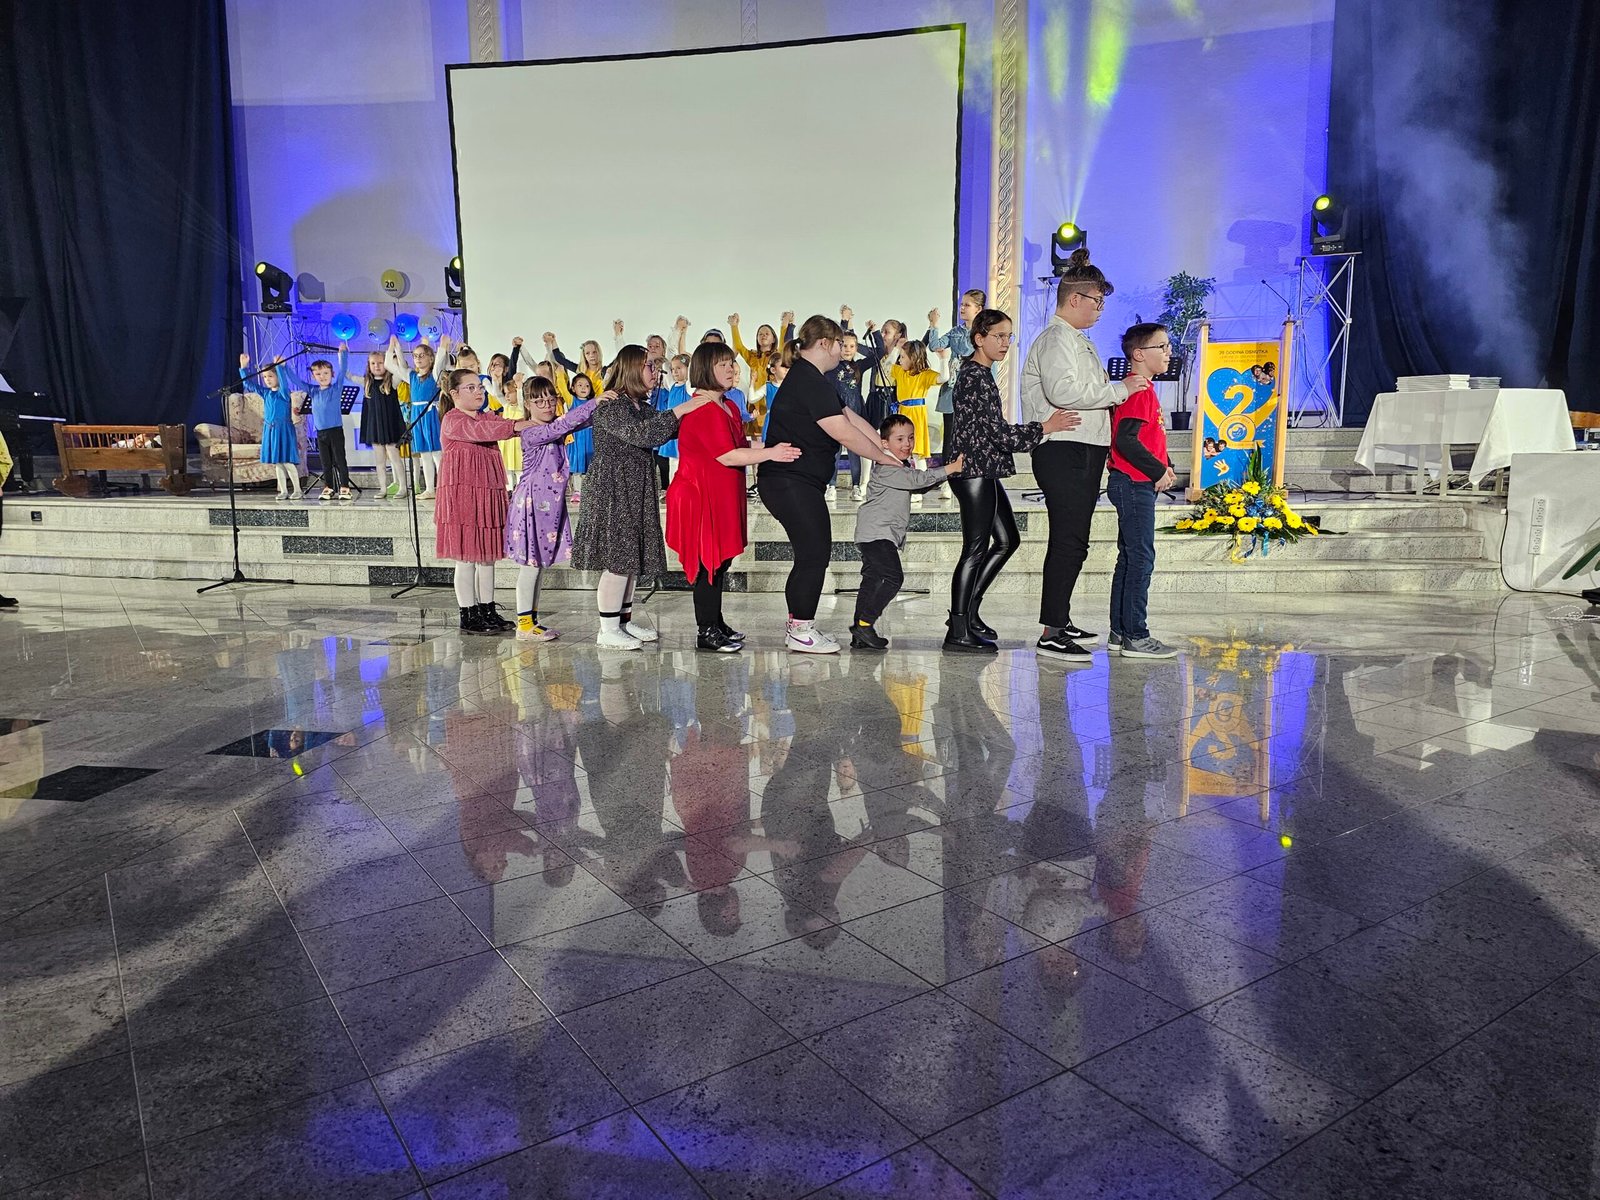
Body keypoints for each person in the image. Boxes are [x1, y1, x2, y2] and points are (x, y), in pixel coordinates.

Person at [1020, 247, 1148, 660]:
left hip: (1082, 448)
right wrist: (1120, 389)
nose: (1100, 309)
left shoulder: (1075, 340)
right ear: (1074, 299)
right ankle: (1051, 631)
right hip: (1065, 450)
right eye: (1096, 301)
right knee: (1069, 540)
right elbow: (1064, 391)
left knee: (1075, 540)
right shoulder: (1057, 339)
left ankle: (1060, 618)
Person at [757, 314, 902, 654]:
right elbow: (843, 432)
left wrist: (883, 448)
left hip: (798, 482)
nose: (842, 349)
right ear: (824, 343)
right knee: (813, 553)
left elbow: (851, 418)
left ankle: (799, 626)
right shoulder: (807, 380)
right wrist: (883, 459)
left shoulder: (814, 379)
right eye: (839, 343)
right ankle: (801, 629)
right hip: (789, 481)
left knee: (811, 553)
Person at [945, 308, 1079, 653]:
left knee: (1007, 540)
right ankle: (958, 628)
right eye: (999, 336)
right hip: (973, 472)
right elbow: (999, 434)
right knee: (974, 549)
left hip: (983, 469)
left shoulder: (981, 373)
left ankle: (969, 613)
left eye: (1009, 336)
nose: (1006, 343)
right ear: (979, 339)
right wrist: (1045, 427)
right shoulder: (975, 376)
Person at [571, 344, 709, 650]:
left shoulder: (640, 407)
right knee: (618, 560)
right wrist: (680, 410)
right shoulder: (611, 405)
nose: (655, 372)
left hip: (635, 488)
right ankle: (608, 629)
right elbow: (643, 434)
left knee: (630, 559)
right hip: (613, 490)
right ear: (632, 368)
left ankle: (623, 621)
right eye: (649, 366)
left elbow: (662, 429)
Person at [667, 341, 801, 653]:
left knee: (721, 561)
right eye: (722, 365)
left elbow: (740, 445)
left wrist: (778, 448)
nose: (730, 369)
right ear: (705, 370)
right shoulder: (702, 408)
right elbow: (727, 455)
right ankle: (706, 631)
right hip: (701, 495)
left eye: (731, 363)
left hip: (722, 493)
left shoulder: (726, 405)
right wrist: (772, 453)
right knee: (708, 564)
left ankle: (716, 621)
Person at [435, 368, 536, 635]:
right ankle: (468, 614)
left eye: (480, 387)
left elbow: (493, 424)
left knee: (487, 557)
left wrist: (525, 423)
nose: (479, 391)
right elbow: (481, 430)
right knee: (466, 558)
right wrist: (515, 427)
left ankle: (487, 610)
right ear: (454, 393)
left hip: (486, 494)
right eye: (471, 388)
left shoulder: (485, 416)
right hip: (462, 497)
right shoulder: (453, 420)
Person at [850, 414, 963, 650]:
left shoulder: (897, 467)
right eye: (900, 439)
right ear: (884, 443)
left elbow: (918, 485)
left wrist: (944, 476)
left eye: (911, 438)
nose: (907, 444)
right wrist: (951, 468)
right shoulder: (888, 467)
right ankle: (864, 624)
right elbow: (917, 480)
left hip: (873, 533)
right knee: (893, 578)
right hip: (878, 534)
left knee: (871, 580)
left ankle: (861, 629)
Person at [505, 376, 597, 641]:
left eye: (550, 400)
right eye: (539, 401)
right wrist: (596, 401)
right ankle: (524, 625)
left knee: (538, 566)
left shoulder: (554, 426)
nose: (547, 405)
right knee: (530, 566)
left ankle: (531, 621)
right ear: (527, 404)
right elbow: (566, 423)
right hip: (531, 505)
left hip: (549, 506)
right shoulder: (531, 432)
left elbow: (579, 422)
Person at [1107, 323, 1180, 659]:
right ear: (1138, 354)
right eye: (1161, 347)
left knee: (1130, 558)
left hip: (1136, 481)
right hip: (1133, 482)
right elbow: (1126, 440)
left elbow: (1150, 439)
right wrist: (1157, 470)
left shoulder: (1144, 389)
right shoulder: (1138, 391)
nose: (1168, 353)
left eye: (1168, 346)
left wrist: (1166, 465)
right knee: (1140, 559)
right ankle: (1136, 635)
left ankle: (1120, 632)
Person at [278, 342, 353, 500]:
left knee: (340, 460)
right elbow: (296, 381)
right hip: (321, 433)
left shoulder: (336, 388)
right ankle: (329, 487)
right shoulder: (313, 390)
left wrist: (343, 354)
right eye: (318, 374)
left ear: (331, 374)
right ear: (313, 376)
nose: (322, 376)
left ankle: (344, 487)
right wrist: (284, 367)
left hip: (335, 431)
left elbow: (343, 370)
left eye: (325, 373)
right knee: (325, 462)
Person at [387, 334, 449, 499]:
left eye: (422, 355)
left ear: (430, 358)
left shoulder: (435, 375)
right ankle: (429, 489)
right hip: (417, 416)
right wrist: (394, 346)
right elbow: (391, 365)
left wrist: (443, 346)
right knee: (424, 455)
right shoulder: (411, 376)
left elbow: (439, 363)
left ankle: (444, 488)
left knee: (437, 453)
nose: (418, 359)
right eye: (415, 356)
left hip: (431, 415)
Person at [238, 353, 301, 500]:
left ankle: (297, 490)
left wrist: (279, 367)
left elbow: (284, 383)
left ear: (277, 377)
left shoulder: (283, 393)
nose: (267, 380)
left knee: (287, 461)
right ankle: (283, 491)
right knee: (277, 462)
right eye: (265, 377)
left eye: (270, 376)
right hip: (270, 430)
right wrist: (243, 368)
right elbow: (249, 385)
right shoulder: (266, 393)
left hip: (283, 430)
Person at [356, 347, 407, 498]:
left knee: (394, 457)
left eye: (380, 363)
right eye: (373, 363)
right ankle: (383, 488)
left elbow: (402, 369)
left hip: (390, 426)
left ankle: (403, 487)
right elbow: (348, 375)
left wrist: (395, 349)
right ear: (368, 365)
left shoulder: (392, 381)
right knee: (379, 460)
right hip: (375, 426)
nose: (377, 366)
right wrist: (342, 355)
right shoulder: (367, 382)